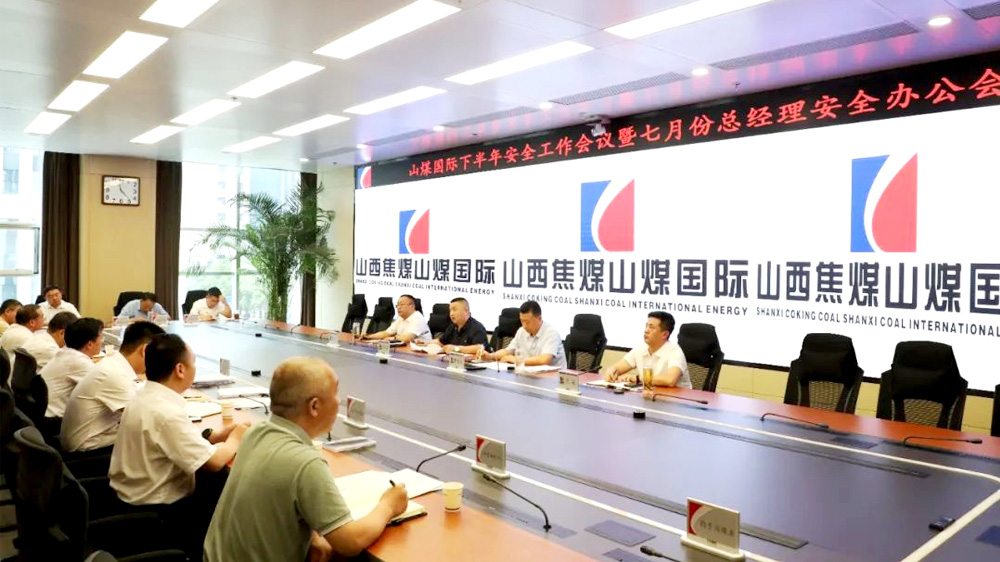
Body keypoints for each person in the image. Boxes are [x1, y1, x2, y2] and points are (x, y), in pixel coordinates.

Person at [203, 357, 408, 562]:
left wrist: (312, 533)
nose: (338, 401)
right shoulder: (306, 462)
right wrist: (388, 505)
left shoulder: (253, 434)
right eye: (335, 393)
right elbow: (350, 542)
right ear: (314, 406)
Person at [109, 333, 247, 558]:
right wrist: (238, 437)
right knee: (231, 489)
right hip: (159, 511)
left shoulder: (147, 395)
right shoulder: (165, 411)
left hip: (132, 496)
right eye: (194, 363)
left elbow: (172, 440)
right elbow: (214, 462)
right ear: (180, 369)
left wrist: (217, 436)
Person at [61, 321, 165, 453]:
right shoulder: (112, 373)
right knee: (158, 442)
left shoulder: (114, 364)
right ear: (144, 350)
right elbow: (146, 418)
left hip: (96, 438)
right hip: (88, 451)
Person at [602, 311, 691, 389]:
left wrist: (637, 378)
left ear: (664, 334)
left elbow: (670, 380)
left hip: (677, 400)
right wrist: (612, 370)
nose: (646, 331)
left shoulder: (674, 351)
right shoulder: (641, 349)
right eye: (646, 326)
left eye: (651, 327)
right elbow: (618, 367)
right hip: (650, 395)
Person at [40, 317, 103, 418]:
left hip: (45, 412)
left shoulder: (67, 353)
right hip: (55, 420)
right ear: (90, 344)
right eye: (101, 338)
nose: (102, 341)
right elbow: (103, 389)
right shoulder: (78, 361)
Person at [482, 300, 566, 369]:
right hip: (529, 375)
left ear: (539, 318)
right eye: (522, 321)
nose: (524, 325)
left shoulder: (551, 333)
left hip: (552, 379)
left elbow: (544, 360)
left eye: (528, 322)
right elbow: (508, 351)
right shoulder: (521, 331)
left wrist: (517, 360)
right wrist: (490, 356)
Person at [362, 294, 430, 343]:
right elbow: (386, 333)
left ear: (412, 306)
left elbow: (407, 338)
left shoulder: (418, 318)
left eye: (402, 305)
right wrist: (369, 337)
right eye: (397, 305)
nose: (399, 307)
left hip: (422, 353)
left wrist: (392, 338)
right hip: (406, 350)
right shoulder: (401, 318)